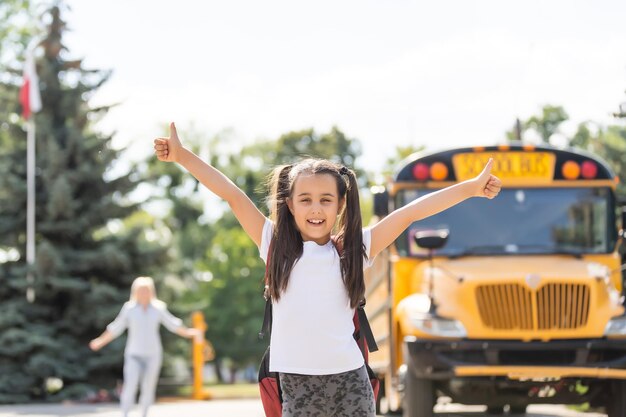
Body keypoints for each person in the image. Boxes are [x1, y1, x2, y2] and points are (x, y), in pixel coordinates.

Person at [153, 123, 501, 417]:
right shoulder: (273, 244)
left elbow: (409, 213)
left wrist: (470, 188)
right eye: (305, 200)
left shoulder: (354, 248)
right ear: (288, 205)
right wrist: (183, 156)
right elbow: (232, 195)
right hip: (296, 381)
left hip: (350, 379)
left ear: (340, 205)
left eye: (325, 200)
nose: (315, 209)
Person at [89, 276, 202, 417]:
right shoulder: (129, 309)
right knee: (130, 386)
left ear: (151, 291)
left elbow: (173, 324)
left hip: (153, 355)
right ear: (135, 292)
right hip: (133, 354)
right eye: (141, 290)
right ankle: (125, 414)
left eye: (146, 290)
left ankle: (144, 414)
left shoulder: (158, 308)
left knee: (148, 388)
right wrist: (100, 341)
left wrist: (190, 333)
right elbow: (116, 328)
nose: (144, 293)